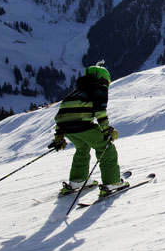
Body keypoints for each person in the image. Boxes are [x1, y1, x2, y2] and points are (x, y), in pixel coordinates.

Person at [50, 64, 127, 196]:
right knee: (106, 148)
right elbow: (100, 110)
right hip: (83, 126)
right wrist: (106, 129)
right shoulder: (99, 89)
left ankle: (78, 180)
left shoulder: (74, 93)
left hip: (67, 128)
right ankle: (112, 182)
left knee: (82, 148)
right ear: (103, 78)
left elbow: (61, 115)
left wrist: (59, 136)